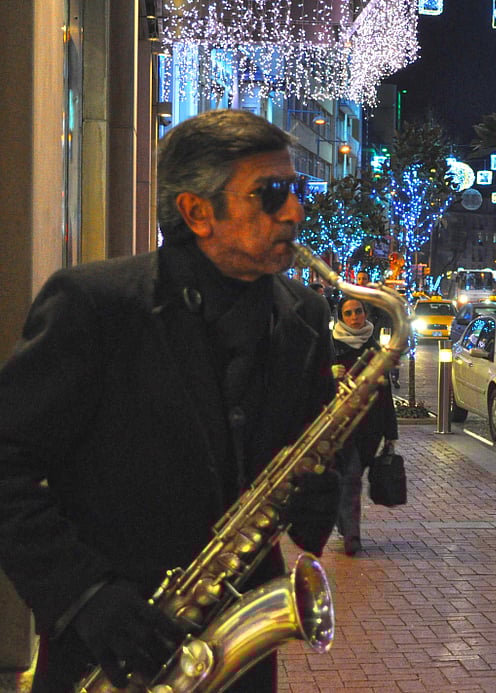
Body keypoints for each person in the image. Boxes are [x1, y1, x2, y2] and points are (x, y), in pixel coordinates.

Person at [0, 110, 341, 692]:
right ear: (196, 212)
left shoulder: (304, 314)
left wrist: (318, 488)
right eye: (271, 194)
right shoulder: (95, 305)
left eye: (297, 190)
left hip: (237, 654)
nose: (295, 212)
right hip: (113, 649)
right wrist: (85, 596)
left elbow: (304, 466)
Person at [330, 297, 399, 556]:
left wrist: (391, 434)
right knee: (350, 477)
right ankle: (352, 535)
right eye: (348, 313)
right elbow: (313, 383)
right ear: (341, 317)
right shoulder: (331, 346)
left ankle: (345, 524)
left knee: (351, 478)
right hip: (340, 427)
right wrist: (331, 376)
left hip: (370, 426)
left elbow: (385, 392)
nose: (355, 317)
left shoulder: (374, 346)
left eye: (358, 311)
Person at [355, 270, 398, 388]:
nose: (361, 281)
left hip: (372, 334)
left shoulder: (374, 296)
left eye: (364, 278)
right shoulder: (352, 295)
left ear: (368, 280)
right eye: (359, 279)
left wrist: (377, 331)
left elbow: (383, 316)